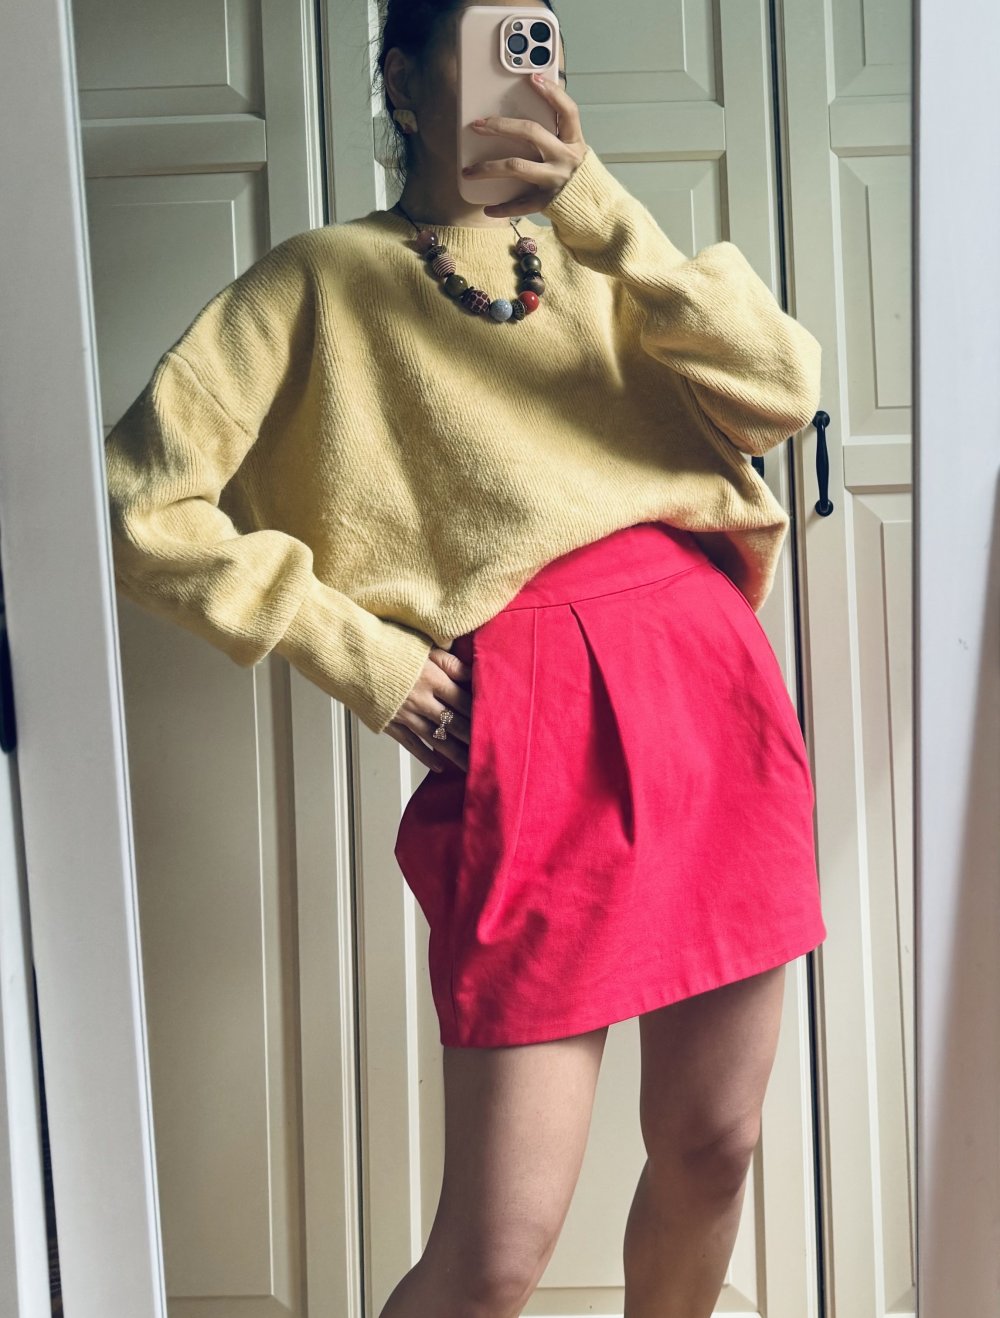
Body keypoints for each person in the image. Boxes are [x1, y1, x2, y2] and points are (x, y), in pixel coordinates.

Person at [102, 1, 827, 1314]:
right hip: (531, 711)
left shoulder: (603, 250)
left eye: (541, 47)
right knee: (496, 1253)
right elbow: (141, 504)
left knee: (715, 1149)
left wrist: (598, 205)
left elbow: (782, 388)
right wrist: (361, 656)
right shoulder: (318, 280)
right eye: (492, 45)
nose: (522, 76)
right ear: (405, 80)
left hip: (706, 681)